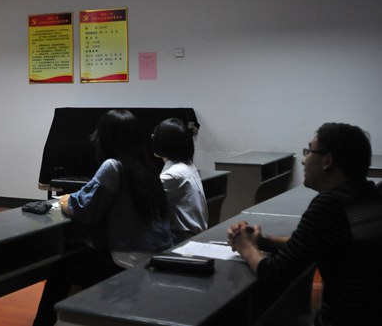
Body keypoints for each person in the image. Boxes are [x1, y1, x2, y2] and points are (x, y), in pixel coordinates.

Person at [227, 123, 382, 326]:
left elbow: (274, 274)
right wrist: (263, 241)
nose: (303, 160)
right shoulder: (369, 195)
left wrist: (245, 247)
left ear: (327, 161)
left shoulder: (330, 205)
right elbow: (314, 243)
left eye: (309, 151)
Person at [33, 109, 172, 326]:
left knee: (63, 266)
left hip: (128, 257)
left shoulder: (112, 167)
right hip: (156, 252)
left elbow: (84, 208)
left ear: (106, 137)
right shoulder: (148, 166)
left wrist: (65, 200)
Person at [152, 118, 208, 243]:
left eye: (155, 137)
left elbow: (145, 198)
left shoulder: (173, 175)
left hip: (182, 238)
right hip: (192, 234)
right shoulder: (187, 166)